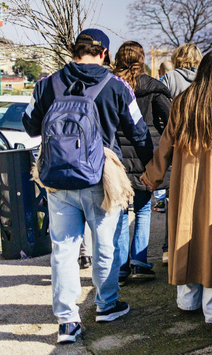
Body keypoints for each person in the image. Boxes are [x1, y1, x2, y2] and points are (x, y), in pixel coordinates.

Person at [23, 29, 154, 344]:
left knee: (64, 249)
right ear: (105, 54)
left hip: (56, 179)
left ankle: (68, 322)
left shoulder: (46, 84)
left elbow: (29, 125)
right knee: (104, 243)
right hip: (101, 177)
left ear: (73, 50)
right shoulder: (117, 87)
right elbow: (138, 133)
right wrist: (150, 168)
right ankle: (107, 304)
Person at [141, 49, 212, 324]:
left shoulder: (182, 102)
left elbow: (165, 144)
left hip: (186, 185)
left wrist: (152, 176)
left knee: (186, 237)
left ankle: (187, 300)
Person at [112, 41, 171, 282]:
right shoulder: (154, 87)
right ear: (142, 59)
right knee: (144, 207)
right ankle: (139, 261)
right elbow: (170, 121)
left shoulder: (110, 85)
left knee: (122, 211)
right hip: (147, 150)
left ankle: (122, 266)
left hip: (117, 154)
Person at [155, 43, 202, 263]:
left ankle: (168, 248)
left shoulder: (170, 78)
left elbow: (159, 105)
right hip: (202, 145)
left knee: (174, 199)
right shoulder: (206, 80)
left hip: (177, 144)